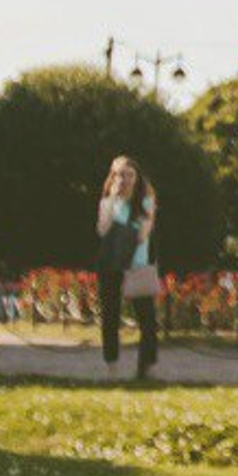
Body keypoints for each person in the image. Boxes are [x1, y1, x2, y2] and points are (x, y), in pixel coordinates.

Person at [95, 158, 161, 378]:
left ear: (137, 178)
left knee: (147, 319)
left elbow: (143, 234)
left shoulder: (146, 202)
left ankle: (146, 368)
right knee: (110, 316)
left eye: (130, 175)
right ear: (113, 177)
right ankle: (111, 367)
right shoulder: (107, 203)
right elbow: (102, 230)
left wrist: (122, 231)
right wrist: (113, 203)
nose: (125, 179)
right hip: (111, 264)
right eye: (120, 174)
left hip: (137, 265)